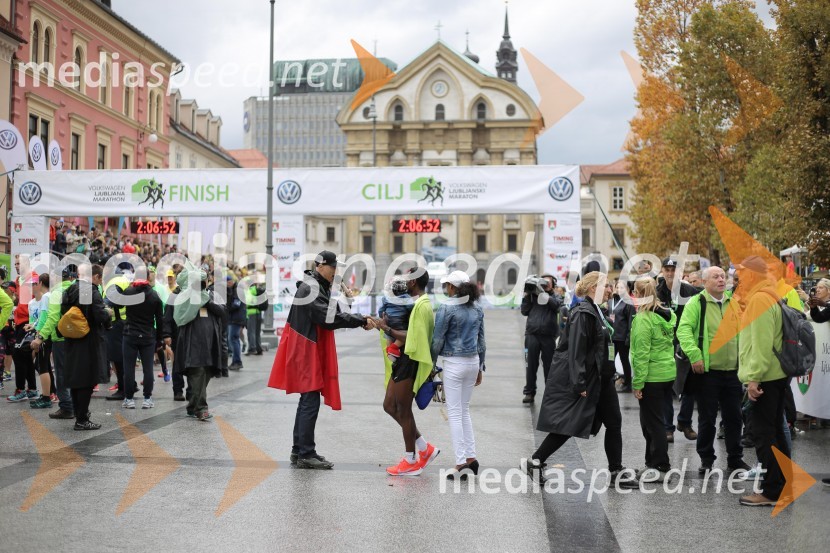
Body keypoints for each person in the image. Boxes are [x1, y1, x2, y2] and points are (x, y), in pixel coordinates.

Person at [268, 251, 373, 469]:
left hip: (306, 345)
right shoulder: (311, 288)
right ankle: (306, 453)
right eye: (333, 267)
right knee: (310, 399)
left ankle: (299, 450)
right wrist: (360, 320)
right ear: (320, 266)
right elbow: (328, 317)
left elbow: (331, 311)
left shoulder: (316, 285)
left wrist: (345, 300)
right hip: (305, 346)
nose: (336, 271)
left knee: (307, 399)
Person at [525, 272, 629, 483]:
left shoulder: (598, 310)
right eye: (606, 285)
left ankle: (616, 471)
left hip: (603, 378)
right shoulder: (583, 313)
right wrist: (579, 382)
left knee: (614, 423)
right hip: (589, 379)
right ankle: (536, 460)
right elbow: (576, 351)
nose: (610, 290)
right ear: (593, 288)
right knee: (569, 424)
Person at [676, 266, 750, 475]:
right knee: (707, 418)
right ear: (705, 281)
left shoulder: (734, 302)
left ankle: (735, 459)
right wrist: (695, 355)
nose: (721, 280)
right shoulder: (696, 302)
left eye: (723, 276)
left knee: (734, 417)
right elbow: (683, 330)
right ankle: (707, 459)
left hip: (733, 371)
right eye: (716, 277)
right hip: (708, 372)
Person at [736, 256, 790, 506]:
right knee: (775, 431)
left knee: (762, 434)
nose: (739, 278)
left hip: (765, 378)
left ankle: (771, 491)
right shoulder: (770, 295)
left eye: (741, 273)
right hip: (775, 375)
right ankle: (783, 486)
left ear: (752, 274)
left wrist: (754, 378)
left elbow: (761, 344)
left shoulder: (759, 299)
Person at [377, 266, 439, 476]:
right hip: (403, 360)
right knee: (389, 405)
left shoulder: (420, 306)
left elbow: (412, 337)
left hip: (409, 360)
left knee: (403, 409)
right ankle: (424, 448)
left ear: (413, 282)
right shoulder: (417, 303)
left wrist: (387, 329)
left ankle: (411, 459)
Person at [623, 276, 677, 486]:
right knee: (652, 421)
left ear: (637, 294)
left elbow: (641, 355)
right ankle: (652, 463)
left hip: (652, 376)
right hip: (666, 372)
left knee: (653, 424)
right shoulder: (667, 314)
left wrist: (637, 383)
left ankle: (660, 466)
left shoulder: (643, 319)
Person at [431, 271, 485, 479]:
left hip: (454, 362)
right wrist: (480, 367)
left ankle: (461, 462)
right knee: (464, 411)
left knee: (454, 413)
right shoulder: (477, 308)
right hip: (473, 361)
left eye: (447, 285)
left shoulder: (447, 307)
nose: (446, 289)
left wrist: (431, 364)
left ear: (453, 287)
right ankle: (471, 457)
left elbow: (437, 340)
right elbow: (482, 341)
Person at [171, 263, 227, 421]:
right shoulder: (185, 296)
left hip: (210, 343)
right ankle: (201, 408)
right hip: (193, 343)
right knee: (198, 372)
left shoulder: (212, 295)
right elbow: (177, 316)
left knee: (206, 373)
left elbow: (223, 311)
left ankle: (192, 405)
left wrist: (207, 301)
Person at [62, 264, 111, 430]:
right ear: (95, 277)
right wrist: (108, 313)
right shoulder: (92, 292)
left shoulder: (70, 289)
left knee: (76, 380)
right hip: (89, 341)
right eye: (100, 279)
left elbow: (63, 312)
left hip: (72, 340)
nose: (100, 282)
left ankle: (79, 415)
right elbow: (99, 316)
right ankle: (82, 419)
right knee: (87, 381)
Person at [657, 257, 701, 443]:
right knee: (667, 387)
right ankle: (668, 428)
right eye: (667, 269)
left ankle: (685, 422)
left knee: (690, 386)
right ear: (662, 271)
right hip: (664, 344)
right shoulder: (656, 293)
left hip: (685, 342)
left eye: (673, 269)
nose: (670, 273)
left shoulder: (690, 291)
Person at [109, 270, 164, 410]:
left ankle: (129, 399)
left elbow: (117, 305)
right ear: (148, 277)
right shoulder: (154, 295)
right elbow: (159, 319)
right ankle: (147, 399)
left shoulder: (129, 292)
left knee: (128, 368)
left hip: (130, 334)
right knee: (148, 369)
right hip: (148, 335)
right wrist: (159, 339)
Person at [32, 266, 77, 420]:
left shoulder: (56, 293)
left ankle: (66, 407)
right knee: (74, 372)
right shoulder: (76, 290)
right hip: (77, 337)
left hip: (61, 338)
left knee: (62, 374)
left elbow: (52, 318)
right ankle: (77, 406)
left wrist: (40, 337)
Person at [521, 274, 561, 404]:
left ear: (553, 285)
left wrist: (544, 294)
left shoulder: (556, 296)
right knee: (530, 365)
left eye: (548, 283)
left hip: (548, 336)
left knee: (549, 367)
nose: (545, 284)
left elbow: (557, 306)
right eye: (543, 282)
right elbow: (524, 311)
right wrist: (527, 295)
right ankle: (529, 392)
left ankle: (550, 394)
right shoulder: (532, 296)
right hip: (531, 335)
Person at [8, 274, 37, 402]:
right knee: (26, 357)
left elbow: (28, 305)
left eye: (19, 264)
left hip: (27, 323)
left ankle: (21, 390)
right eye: (16, 264)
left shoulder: (32, 278)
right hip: (22, 323)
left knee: (18, 355)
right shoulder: (20, 280)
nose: (17, 266)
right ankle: (32, 389)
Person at [28, 273, 54, 409]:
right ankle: (49, 393)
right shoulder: (51, 295)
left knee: (42, 366)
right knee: (45, 366)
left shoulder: (45, 297)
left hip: (44, 335)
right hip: (49, 334)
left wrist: (38, 336)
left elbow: (44, 318)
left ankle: (46, 397)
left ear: (41, 283)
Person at [377, 276, 413, 362]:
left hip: (389, 320)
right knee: (404, 334)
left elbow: (381, 310)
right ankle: (394, 347)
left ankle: (389, 350)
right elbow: (411, 307)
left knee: (388, 334)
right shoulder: (406, 297)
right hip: (400, 320)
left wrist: (382, 316)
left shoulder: (386, 298)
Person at [612, 280, 635, 392]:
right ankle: (611, 381)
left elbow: (631, 322)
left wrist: (628, 338)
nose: (619, 290)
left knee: (624, 360)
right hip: (612, 338)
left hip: (622, 338)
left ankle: (628, 383)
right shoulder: (612, 301)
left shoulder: (628, 303)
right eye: (617, 287)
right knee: (610, 360)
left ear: (627, 289)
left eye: (622, 288)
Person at [226, 275, 246, 370]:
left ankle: (237, 362)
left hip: (236, 318)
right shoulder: (235, 289)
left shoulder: (237, 290)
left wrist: (226, 309)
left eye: (227, 283)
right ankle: (235, 361)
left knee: (233, 339)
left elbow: (236, 304)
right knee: (234, 339)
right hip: (235, 318)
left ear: (230, 282)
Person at [244, 279, 265, 356]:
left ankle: (252, 349)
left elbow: (248, 301)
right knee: (257, 332)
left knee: (251, 331)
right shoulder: (257, 289)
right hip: (258, 312)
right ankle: (259, 349)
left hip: (251, 313)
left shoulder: (251, 290)